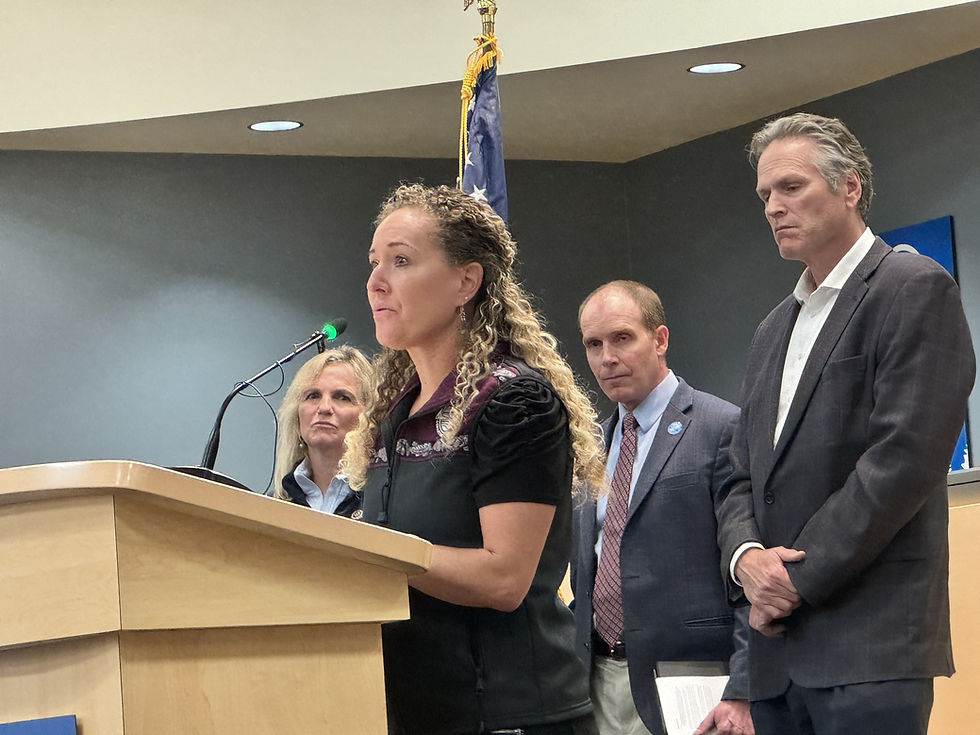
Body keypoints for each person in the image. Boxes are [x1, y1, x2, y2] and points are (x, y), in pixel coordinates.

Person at [715, 112, 975, 735]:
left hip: (870, 646)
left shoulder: (912, 289)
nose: (774, 206)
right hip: (776, 655)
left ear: (850, 187)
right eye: (764, 195)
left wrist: (794, 579)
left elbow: (903, 461)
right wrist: (746, 557)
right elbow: (736, 470)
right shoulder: (772, 328)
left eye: (791, 187)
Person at [345, 183, 606, 735]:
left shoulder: (514, 401)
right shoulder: (395, 409)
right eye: (374, 263)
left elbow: (503, 577)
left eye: (401, 261)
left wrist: (366, 552)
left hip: (508, 713)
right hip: (417, 708)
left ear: (466, 280)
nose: (375, 283)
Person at [573, 280, 752, 735]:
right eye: (593, 344)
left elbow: (751, 576)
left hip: (693, 686)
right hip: (596, 682)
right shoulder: (592, 448)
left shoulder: (721, 427)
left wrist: (744, 688)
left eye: (621, 338)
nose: (606, 358)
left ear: (660, 339)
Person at [271, 345, 373, 517]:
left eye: (342, 397)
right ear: (296, 414)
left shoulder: (382, 500)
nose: (324, 408)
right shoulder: (274, 506)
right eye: (313, 396)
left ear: (369, 414)